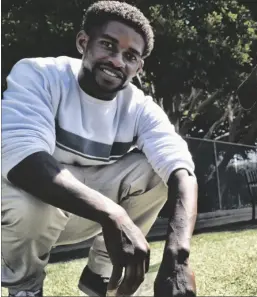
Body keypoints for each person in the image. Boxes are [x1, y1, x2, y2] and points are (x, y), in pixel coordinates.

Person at [1, 1, 198, 297]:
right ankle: (25, 288)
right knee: (31, 202)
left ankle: (102, 276)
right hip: (23, 213)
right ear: (83, 42)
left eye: (130, 56)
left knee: (159, 173)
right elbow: (24, 162)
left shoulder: (139, 106)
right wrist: (113, 214)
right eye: (108, 45)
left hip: (82, 214)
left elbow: (182, 171)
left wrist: (178, 256)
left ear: (138, 67)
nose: (117, 61)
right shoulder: (39, 74)